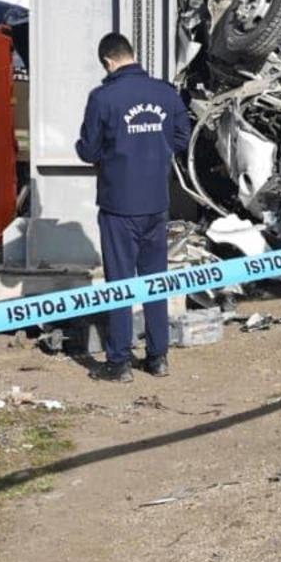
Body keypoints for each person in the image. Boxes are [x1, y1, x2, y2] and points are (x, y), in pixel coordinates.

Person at [76, 32, 192, 382]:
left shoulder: (103, 97)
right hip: (156, 203)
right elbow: (182, 138)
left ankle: (119, 363)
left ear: (108, 62)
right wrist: (154, 149)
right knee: (156, 280)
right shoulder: (165, 93)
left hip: (118, 205)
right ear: (131, 55)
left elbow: (89, 150)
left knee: (121, 284)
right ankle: (158, 358)